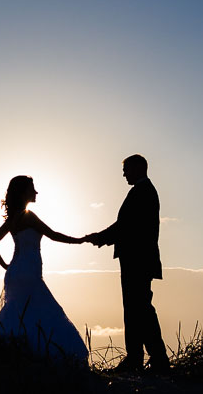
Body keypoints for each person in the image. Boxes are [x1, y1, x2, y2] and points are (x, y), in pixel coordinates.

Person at [0, 175, 89, 360]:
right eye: (32, 188)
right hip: (29, 273)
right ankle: (41, 357)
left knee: (18, 314)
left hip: (15, 272)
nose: (36, 192)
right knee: (41, 313)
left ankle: (11, 355)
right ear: (24, 192)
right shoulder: (28, 216)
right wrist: (81, 240)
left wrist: (6, 266)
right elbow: (54, 235)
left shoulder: (13, 219)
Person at [85, 154, 169, 372]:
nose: (124, 174)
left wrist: (100, 237)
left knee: (138, 309)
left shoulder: (143, 192)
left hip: (138, 260)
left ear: (139, 168)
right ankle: (142, 357)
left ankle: (150, 358)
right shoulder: (142, 192)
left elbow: (126, 226)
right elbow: (125, 226)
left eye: (127, 169)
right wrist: (102, 237)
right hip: (137, 260)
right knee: (137, 309)